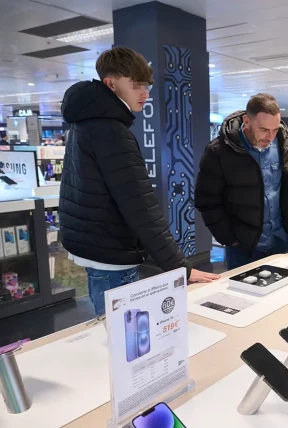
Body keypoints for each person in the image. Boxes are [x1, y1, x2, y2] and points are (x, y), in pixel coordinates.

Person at [59, 47, 219, 317]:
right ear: (111, 84)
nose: (145, 93)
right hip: (110, 251)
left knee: (111, 329)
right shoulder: (110, 131)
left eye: (147, 85)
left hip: (94, 244)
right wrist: (182, 268)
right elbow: (141, 207)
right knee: (124, 338)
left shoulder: (85, 123)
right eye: (137, 85)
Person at [195, 93, 288, 270]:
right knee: (245, 296)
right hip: (244, 246)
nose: (270, 136)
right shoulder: (219, 151)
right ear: (246, 121)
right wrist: (228, 237)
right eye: (264, 129)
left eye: (275, 129)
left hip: (281, 239)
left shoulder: (283, 144)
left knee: (284, 294)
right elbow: (207, 200)